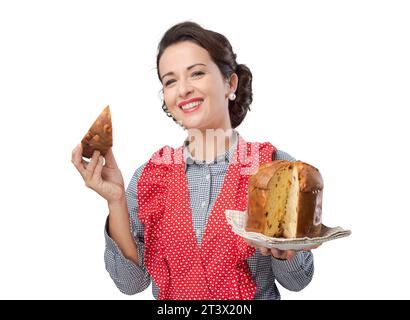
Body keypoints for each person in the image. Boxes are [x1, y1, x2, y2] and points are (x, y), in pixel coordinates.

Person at [71, 21, 319, 300]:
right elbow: (131, 284)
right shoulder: (150, 177)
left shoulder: (274, 168)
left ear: (230, 83)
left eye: (197, 73)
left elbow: (298, 281)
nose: (183, 89)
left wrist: (286, 252)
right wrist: (115, 201)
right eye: (170, 80)